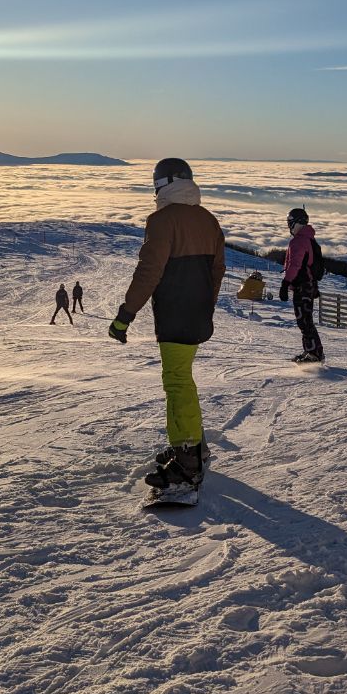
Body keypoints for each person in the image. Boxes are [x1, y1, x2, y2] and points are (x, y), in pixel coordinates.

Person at [108, 158, 225, 491]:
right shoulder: (208, 220)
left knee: (176, 381)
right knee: (180, 377)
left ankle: (188, 460)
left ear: (163, 184)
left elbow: (149, 272)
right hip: (198, 313)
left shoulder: (162, 220)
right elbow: (218, 271)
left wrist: (125, 316)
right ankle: (190, 447)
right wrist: (206, 303)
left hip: (176, 312)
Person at [280, 208, 324, 363]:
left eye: (289, 223)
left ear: (294, 223)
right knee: (306, 320)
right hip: (309, 285)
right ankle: (313, 351)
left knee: (304, 321)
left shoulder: (299, 241)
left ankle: (314, 354)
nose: (289, 227)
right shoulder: (310, 240)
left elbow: (295, 265)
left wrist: (285, 284)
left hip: (302, 286)